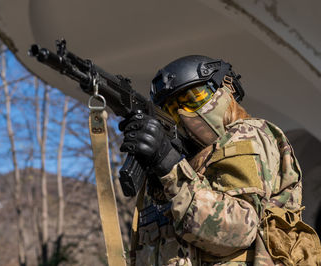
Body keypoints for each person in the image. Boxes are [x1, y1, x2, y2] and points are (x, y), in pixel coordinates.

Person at [120, 55, 321, 265]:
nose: (185, 115)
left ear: (227, 88)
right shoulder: (189, 163)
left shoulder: (247, 134)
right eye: (173, 110)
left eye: (194, 100)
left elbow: (238, 230)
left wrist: (170, 168)